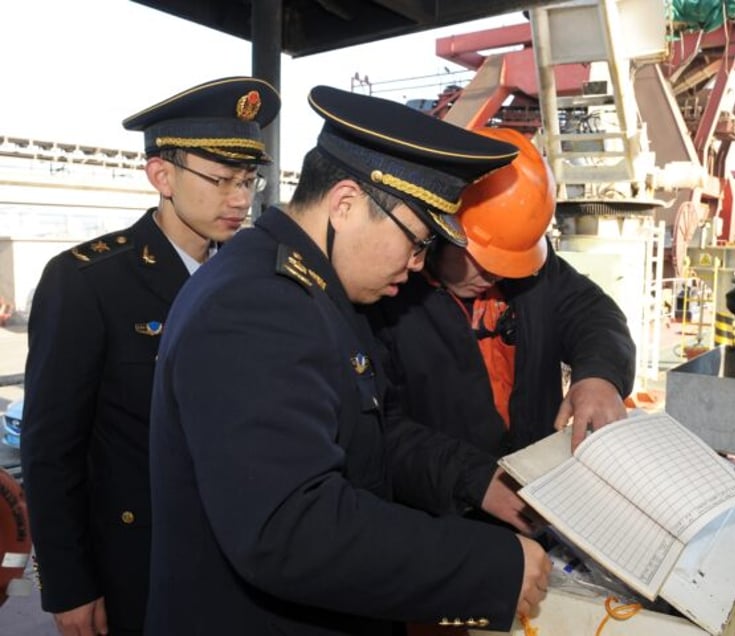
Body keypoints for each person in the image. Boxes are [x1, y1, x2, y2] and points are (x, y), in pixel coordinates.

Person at [146, 85, 551, 635]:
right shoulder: (257, 305)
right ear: (345, 204)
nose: (416, 265)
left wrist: (475, 481)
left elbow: (367, 440)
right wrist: (490, 567)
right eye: (416, 241)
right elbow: (291, 528)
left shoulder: (319, 290)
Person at [20, 76, 281, 636]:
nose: (240, 199)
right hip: (136, 564)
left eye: (248, 180)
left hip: (240, 561)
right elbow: (51, 448)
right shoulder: (87, 281)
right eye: (220, 179)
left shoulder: (249, 279)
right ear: (161, 175)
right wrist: (69, 584)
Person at [369, 126, 636, 492]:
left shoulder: (532, 273)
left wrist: (600, 375)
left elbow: (593, 312)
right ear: (439, 230)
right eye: (484, 260)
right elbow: (385, 430)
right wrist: (474, 482)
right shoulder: (387, 301)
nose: (497, 273)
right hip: (447, 516)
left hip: (543, 488)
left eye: (511, 260)